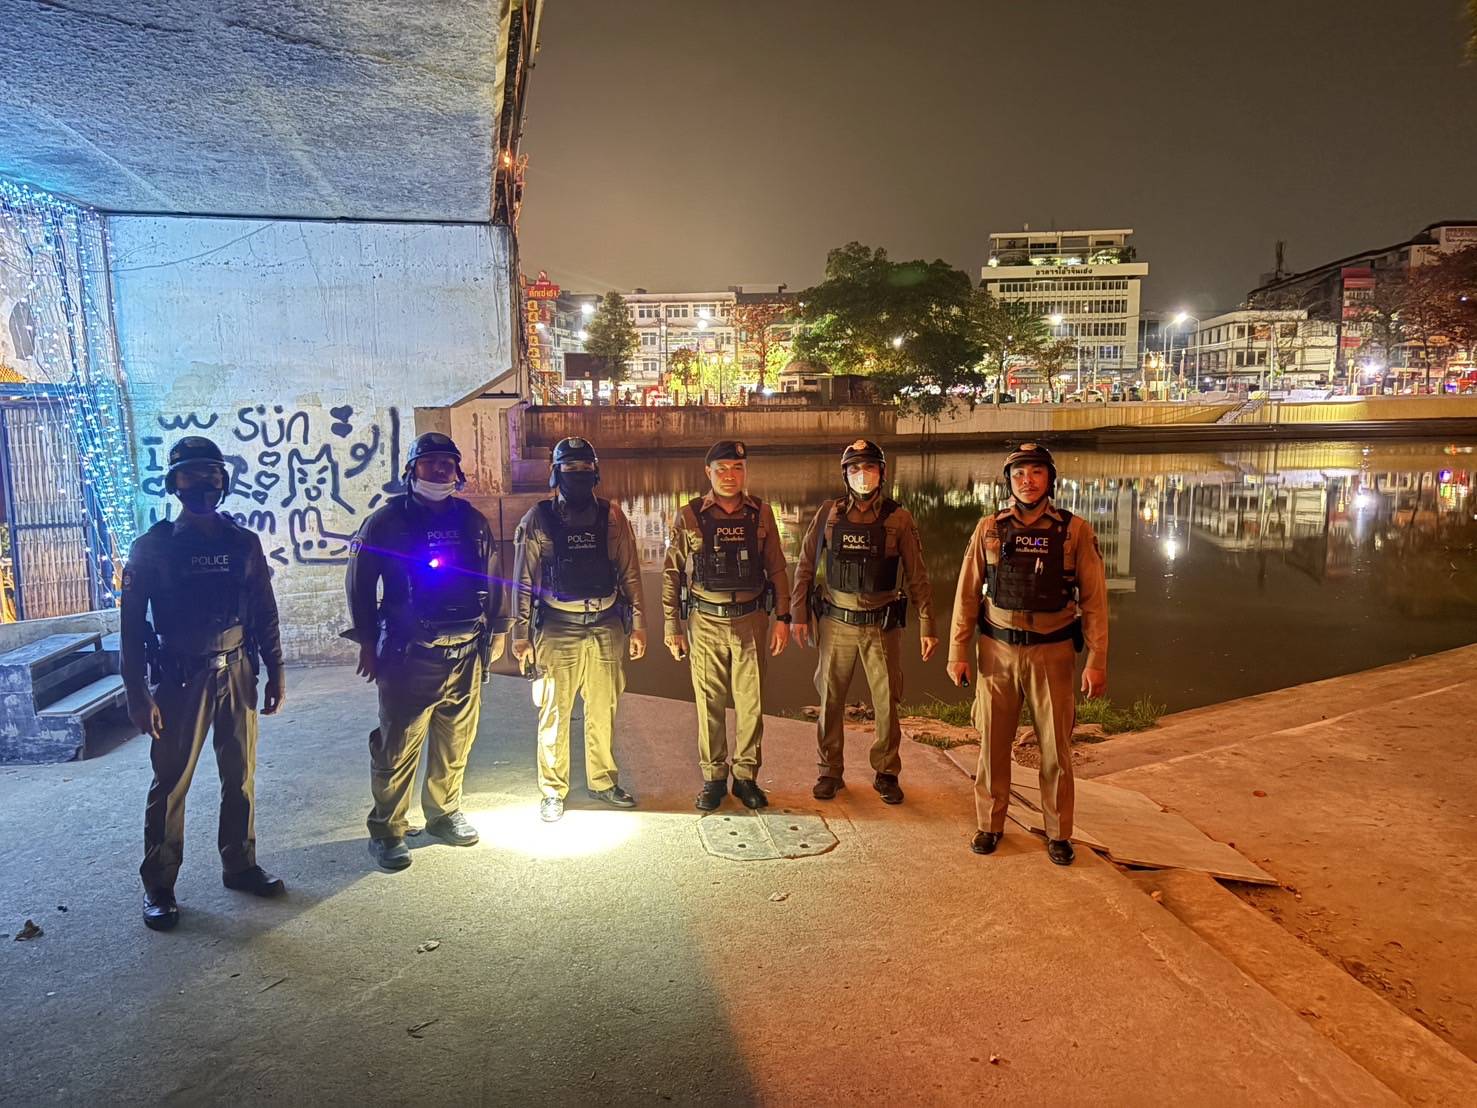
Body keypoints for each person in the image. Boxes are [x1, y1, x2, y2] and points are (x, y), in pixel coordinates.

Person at [121, 436, 287, 931]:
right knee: (171, 781)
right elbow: (131, 627)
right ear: (174, 484)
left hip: (237, 669)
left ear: (223, 481)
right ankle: (159, 885)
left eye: (211, 475)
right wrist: (137, 692)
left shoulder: (242, 543)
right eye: (190, 475)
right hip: (180, 677)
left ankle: (240, 864)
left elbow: (264, 610)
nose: (202, 485)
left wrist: (276, 668)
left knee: (240, 775)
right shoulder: (152, 548)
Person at [344, 432, 507, 872]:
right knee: (397, 746)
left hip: (466, 652)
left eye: (447, 463)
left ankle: (444, 813)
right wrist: (366, 641)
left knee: (456, 742)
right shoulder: (385, 522)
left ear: (458, 471)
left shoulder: (473, 521)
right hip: (408, 655)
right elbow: (359, 584)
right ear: (411, 470)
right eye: (429, 462)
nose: (439, 469)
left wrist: (497, 631)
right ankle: (387, 830)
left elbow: (494, 577)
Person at [947, 442, 1108, 866]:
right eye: (1019, 474)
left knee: (1056, 749)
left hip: (1052, 653)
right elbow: (967, 594)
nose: (1027, 481)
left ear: (1050, 479)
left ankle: (1058, 832)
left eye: (1036, 472)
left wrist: (1097, 659)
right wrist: (957, 651)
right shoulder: (989, 528)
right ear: (1009, 481)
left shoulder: (1075, 531)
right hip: (996, 651)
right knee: (992, 745)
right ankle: (990, 824)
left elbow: (1094, 601)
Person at [790, 440, 938, 805]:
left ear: (881, 473)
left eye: (869, 467)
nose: (862, 475)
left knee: (887, 701)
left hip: (881, 625)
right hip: (836, 623)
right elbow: (806, 565)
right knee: (830, 699)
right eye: (855, 469)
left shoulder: (899, 518)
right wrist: (797, 614)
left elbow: (918, 575)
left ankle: (886, 772)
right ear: (845, 475)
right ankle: (829, 771)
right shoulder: (828, 514)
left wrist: (928, 624)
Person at [511, 437, 647, 822]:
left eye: (584, 468)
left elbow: (631, 573)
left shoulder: (613, 516)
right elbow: (522, 581)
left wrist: (639, 626)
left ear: (595, 472)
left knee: (603, 708)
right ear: (556, 473)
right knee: (554, 711)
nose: (578, 475)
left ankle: (602, 781)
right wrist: (520, 636)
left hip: (606, 625)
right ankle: (553, 790)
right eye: (569, 469)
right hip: (558, 627)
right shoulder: (537, 518)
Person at [662, 440, 791, 811]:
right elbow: (671, 573)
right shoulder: (688, 515)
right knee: (709, 703)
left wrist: (783, 618)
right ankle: (714, 778)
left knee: (752, 703)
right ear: (709, 472)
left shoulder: (762, 513)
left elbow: (777, 567)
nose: (730, 476)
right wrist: (671, 626)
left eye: (737, 468)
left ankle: (746, 777)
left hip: (752, 620)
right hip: (705, 621)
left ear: (745, 471)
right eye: (722, 469)